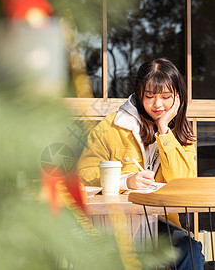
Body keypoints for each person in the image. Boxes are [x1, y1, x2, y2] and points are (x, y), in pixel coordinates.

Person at [76, 57, 205, 269]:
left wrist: (164, 129)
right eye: (149, 96)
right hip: (119, 225)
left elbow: (184, 182)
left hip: (162, 223)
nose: (158, 104)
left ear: (178, 97)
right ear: (139, 94)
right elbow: (83, 174)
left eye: (166, 97)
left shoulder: (183, 134)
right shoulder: (111, 127)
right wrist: (125, 181)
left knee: (191, 252)